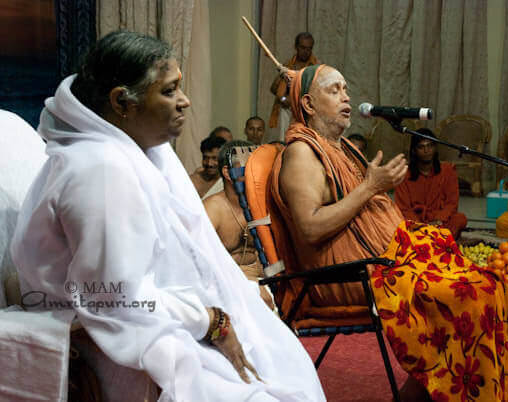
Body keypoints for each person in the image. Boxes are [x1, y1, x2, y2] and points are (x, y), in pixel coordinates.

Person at [10, 31, 324, 402]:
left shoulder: (139, 152)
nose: (185, 101)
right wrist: (212, 321)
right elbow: (115, 298)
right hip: (123, 332)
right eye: (170, 90)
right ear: (122, 102)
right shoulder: (101, 168)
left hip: (158, 316)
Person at [270, 64, 508, 401]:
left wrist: (374, 187)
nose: (346, 96)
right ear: (307, 104)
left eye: (346, 89)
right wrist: (370, 187)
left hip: (386, 260)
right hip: (351, 274)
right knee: (469, 293)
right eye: (334, 90)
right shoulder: (302, 154)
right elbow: (309, 228)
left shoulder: (339, 148)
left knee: (489, 283)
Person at [204, 140, 275, 310]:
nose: (256, 172)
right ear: (228, 173)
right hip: (226, 287)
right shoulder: (213, 209)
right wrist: (248, 286)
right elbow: (201, 264)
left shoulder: (265, 204)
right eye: (249, 167)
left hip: (266, 282)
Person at [394, 130, 467, 239]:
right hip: (416, 222)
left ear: (435, 148)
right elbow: (403, 208)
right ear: (414, 151)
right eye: (421, 147)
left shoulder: (447, 170)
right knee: (396, 223)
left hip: (440, 221)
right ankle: (438, 241)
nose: (426, 150)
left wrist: (438, 220)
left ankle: (432, 240)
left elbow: (451, 204)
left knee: (460, 219)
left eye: (430, 146)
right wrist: (420, 225)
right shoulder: (404, 175)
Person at [269, 32, 319, 141]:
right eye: (303, 48)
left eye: (309, 48)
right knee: (284, 142)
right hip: (287, 111)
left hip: (305, 112)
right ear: (296, 47)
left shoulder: (315, 68)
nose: (306, 52)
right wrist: (284, 99)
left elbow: (317, 93)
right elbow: (274, 89)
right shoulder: (288, 66)